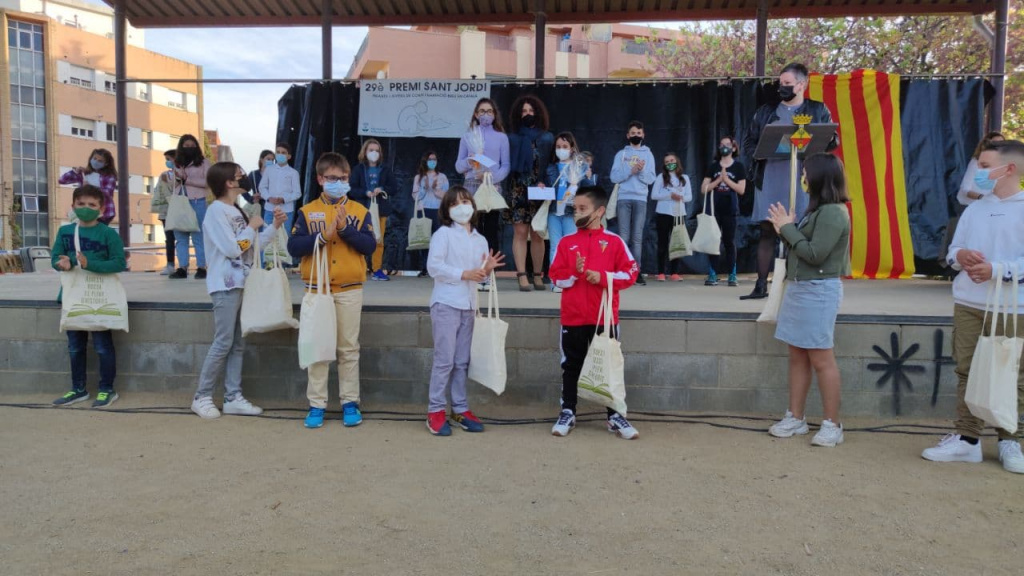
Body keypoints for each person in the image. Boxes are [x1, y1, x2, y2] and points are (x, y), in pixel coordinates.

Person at [922, 139, 1024, 474]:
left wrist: (997, 270)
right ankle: (968, 441)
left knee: (1010, 373)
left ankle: (1011, 439)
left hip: (1012, 306)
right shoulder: (975, 209)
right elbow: (954, 251)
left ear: (1008, 168)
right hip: (968, 302)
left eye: (983, 167)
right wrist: (961, 257)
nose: (977, 173)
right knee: (967, 370)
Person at [765, 153, 851, 448]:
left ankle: (832, 424)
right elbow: (802, 249)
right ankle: (796, 417)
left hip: (819, 291)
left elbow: (815, 253)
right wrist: (786, 228)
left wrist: (787, 228)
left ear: (818, 177)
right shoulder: (816, 211)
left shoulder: (834, 212)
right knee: (797, 355)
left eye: (805, 173)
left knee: (821, 358)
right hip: (801, 289)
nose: (802, 178)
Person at [190, 163, 288, 419]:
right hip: (224, 284)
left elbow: (252, 247)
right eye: (238, 175)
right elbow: (233, 248)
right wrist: (252, 226)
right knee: (223, 341)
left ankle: (233, 396)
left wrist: (273, 227)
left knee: (237, 343)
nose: (243, 178)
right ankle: (202, 396)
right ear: (228, 183)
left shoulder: (237, 210)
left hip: (243, 282)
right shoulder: (215, 212)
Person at [287, 152, 377, 430]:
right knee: (317, 347)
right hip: (317, 290)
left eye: (343, 178)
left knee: (348, 348)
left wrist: (345, 230)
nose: (337, 182)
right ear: (320, 179)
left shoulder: (359, 211)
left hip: (349, 290)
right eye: (331, 178)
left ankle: (350, 402)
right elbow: (293, 247)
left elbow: (369, 246)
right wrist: (322, 236)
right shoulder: (307, 210)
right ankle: (317, 404)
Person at [548, 185, 641, 440]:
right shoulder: (567, 243)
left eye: (582, 209)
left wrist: (603, 277)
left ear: (600, 211)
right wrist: (574, 274)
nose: (577, 214)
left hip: (605, 317)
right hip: (574, 316)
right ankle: (568, 410)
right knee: (571, 366)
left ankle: (614, 416)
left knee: (608, 366)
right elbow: (555, 277)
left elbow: (631, 273)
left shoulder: (614, 242)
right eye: (574, 209)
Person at [741, 62, 838, 300]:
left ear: (802, 84)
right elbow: (748, 143)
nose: (781, 87)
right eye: (780, 83)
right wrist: (761, 150)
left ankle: (798, 283)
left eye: (787, 84)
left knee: (801, 232)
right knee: (767, 232)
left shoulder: (817, 109)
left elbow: (832, 139)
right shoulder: (766, 111)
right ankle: (761, 285)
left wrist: (820, 140)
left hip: (804, 179)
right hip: (771, 177)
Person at [425, 186, 505, 436]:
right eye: (455, 203)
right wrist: (464, 274)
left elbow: (478, 276)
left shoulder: (480, 239)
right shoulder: (443, 235)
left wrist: (487, 269)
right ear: (447, 210)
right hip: (446, 303)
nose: (462, 207)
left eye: (466, 201)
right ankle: (435, 410)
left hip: (469, 305)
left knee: (461, 361)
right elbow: (434, 266)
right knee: (444, 360)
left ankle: (459, 408)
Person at [51, 184, 127, 409]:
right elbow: (56, 257)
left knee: (103, 346)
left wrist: (89, 263)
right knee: (75, 346)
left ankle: (107, 389)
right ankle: (78, 389)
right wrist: (62, 264)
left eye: (92, 205)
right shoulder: (65, 232)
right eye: (81, 204)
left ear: (101, 209)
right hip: (73, 297)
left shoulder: (107, 234)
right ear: (73, 206)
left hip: (100, 298)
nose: (86, 208)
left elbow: (119, 262)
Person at [455, 97, 511, 284]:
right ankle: (473, 273)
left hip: (492, 187)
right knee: (472, 230)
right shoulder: (468, 136)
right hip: (471, 186)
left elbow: (506, 166)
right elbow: (458, 166)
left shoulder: (502, 137)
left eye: (489, 111)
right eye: (482, 111)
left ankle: (488, 275)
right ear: (476, 114)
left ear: (495, 115)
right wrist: (470, 161)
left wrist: (491, 178)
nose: (485, 115)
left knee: (491, 231)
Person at [506, 95, 555, 292]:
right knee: (520, 232)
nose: (528, 114)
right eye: (524, 111)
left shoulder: (547, 137)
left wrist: (546, 180)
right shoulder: (512, 138)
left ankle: (537, 274)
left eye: (531, 111)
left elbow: (552, 165)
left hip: (539, 189)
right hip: (518, 189)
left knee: (538, 233)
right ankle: (521, 275)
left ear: (538, 113)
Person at [544, 132, 596, 293]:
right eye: (558, 147)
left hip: (570, 213)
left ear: (572, 148)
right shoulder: (551, 167)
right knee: (555, 246)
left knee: (572, 246)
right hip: (554, 212)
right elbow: (548, 186)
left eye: (565, 147)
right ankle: (556, 281)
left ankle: (571, 278)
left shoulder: (580, 167)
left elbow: (589, 188)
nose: (561, 150)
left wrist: (587, 177)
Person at [609, 121, 656, 285]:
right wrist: (631, 170)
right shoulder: (621, 154)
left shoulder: (648, 155)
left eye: (639, 133)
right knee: (623, 236)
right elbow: (614, 177)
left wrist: (641, 171)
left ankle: (636, 271)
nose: (636, 135)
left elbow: (651, 179)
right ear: (628, 135)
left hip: (641, 199)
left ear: (643, 135)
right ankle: (622, 269)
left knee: (637, 238)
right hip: (624, 198)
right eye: (633, 133)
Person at [701, 136, 747, 286]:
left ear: (733, 148)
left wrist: (727, 180)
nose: (724, 147)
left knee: (729, 242)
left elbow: (741, 189)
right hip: (714, 210)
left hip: (730, 209)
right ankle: (712, 273)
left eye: (727, 145)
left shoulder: (738, 167)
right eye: (721, 145)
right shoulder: (713, 166)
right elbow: (704, 189)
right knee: (713, 241)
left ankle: (732, 274)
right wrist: (718, 180)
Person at [349, 138, 398, 280]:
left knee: (379, 239)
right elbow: (352, 189)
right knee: (360, 239)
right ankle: (360, 268)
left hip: (380, 209)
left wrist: (381, 189)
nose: (374, 153)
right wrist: (365, 193)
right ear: (365, 151)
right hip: (362, 209)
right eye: (371, 150)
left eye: (377, 150)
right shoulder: (358, 169)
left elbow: (394, 188)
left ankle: (377, 269)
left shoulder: (385, 169)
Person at [170, 134, 211, 280]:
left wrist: (189, 180)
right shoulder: (177, 163)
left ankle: (201, 267)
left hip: (197, 201)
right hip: (180, 201)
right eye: (186, 146)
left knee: (198, 236)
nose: (189, 149)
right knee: (180, 237)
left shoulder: (204, 162)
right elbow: (174, 184)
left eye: (192, 146)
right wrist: (174, 177)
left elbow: (208, 182)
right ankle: (182, 267)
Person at [650, 152, 692, 282]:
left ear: (677, 161)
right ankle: (661, 272)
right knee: (662, 243)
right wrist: (669, 196)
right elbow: (654, 195)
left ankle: (674, 272)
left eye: (672, 160)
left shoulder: (684, 178)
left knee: (676, 242)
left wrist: (681, 198)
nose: (670, 163)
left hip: (679, 214)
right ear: (664, 165)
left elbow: (689, 197)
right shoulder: (660, 178)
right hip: (663, 213)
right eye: (667, 162)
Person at [412, 150, 449, 277]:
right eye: (430, 159)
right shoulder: (419, 177)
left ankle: (439, 267)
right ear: (425, 161)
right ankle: (424, 268)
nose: (432, 162)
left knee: (438, 239)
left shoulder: (442, 177)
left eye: (434, 159)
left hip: (438, 211)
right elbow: (415, 195)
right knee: (424, 240)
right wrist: (425, 187)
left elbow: (446, 196)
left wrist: (435, 189)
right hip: (423, 210)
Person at [59, 149, 117, 225]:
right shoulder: (84, 174)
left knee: (95, 234)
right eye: (95, 159)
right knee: (83, 234)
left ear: (106, 164)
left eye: (100, 161)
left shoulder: (109, 176)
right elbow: (62, 180)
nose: (96, 162)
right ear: (91, 158)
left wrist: (90, 187)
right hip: (84, 211)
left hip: (102, 214)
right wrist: (75, 171)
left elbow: (108, 193)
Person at [150, 149, 179, 275]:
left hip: (180, 210)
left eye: (169, 159)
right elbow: (158, 191)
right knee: (169, 238)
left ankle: (184, 264)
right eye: (166, 159)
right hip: (166, 211)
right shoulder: (163, 175)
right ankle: (170, 264)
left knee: (182, 238)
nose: (167, 162)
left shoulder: (184, 174)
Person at [957, 131, 1005, 206]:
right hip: (968, 206)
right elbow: (965, 189)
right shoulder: (976, 163)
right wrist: (982, 197)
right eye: (995, 143)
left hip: (986, 206)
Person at [243, 149, 275, 215]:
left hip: (271, 208)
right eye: (268, 159)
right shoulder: (253, 174)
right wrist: (251, 199)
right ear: (261, 160)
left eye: (272, 160)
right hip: (257, 207)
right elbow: (243, 189)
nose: (271, 161)